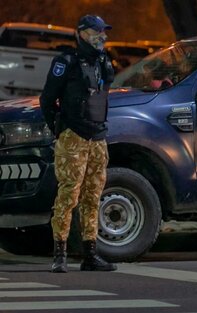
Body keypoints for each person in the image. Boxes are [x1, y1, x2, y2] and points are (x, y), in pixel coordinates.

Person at [40, 15, 116, 273]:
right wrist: (60, 131)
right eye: (96, 32)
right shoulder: (66, 62)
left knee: (93, 197)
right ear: (81, 33)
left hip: (98, 137)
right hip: (73, 136)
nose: (102, 36)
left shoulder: (103, 62)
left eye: (104, 32)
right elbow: (47, 100)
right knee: (68, 195)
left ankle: (90, 254)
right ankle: (59, 253)